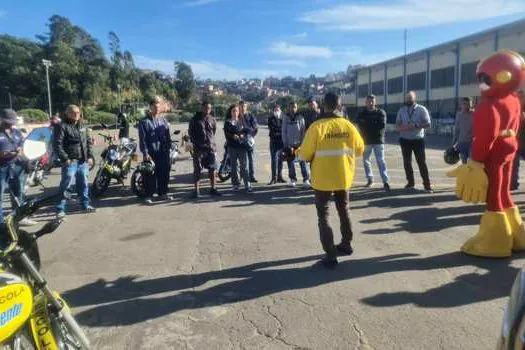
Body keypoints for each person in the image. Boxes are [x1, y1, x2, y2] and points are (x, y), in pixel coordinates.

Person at [447, 50, 525, 258]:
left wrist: (475, 161)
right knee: (504, 192)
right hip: (509, 147)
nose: (481, 83)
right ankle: (516, 233)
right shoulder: (514, 100)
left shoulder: (489, 106)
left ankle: (494, 241)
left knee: (494, 195)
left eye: (484, 78)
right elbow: (517, 126)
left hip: (494, 152)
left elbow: (485, 138)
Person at [298, 92, 364, 269]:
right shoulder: (348, 126)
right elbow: (359, 150)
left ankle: (330, 253)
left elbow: (304, 154)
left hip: (322, 179)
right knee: (344, 209)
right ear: (339, 105)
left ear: (323, 104)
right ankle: (347, 244)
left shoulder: (316, 127)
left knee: (323, 214)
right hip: (343, 176)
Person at [54, 105, 96, 218]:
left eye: (78, 112)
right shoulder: (61, 126)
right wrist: (65, 158)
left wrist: (90, 156)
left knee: (84, 183)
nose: (76, 114)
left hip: (82, 161)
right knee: (66, 185)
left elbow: (88, 142)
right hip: (70, 161)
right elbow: (57, 144)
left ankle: (85, 205)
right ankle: (60, 208)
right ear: (67, 113)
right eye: (73, 112)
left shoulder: (82, 126)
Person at [396, 91, 433, 192]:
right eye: (407, 98)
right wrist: (402, 127)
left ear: (414, 98)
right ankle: (410, 183)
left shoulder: (421, 109)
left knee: (421, 162)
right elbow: (397, 126)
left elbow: (428, 124)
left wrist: (416, 126)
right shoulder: (402, 110)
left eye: (410, 97)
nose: (408, 99)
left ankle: (427, 185)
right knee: (407, 163)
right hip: (404, 140)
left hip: (418, 140)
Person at [138, 97, 173, 204]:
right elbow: (142, 139)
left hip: (163, 152)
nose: (157, 109)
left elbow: (167, 137)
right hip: (151, 153)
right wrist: (145, 153)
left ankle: (163, 193)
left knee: (164, 173)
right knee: (149, 174)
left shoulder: (163, 121)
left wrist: (169, 149)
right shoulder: (144, 122)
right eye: (155, 107)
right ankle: (149, 195)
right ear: (150, 107)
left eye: (158, 107)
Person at [355, 94, 390, 191]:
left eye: (372, 101)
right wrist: (371, 124)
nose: (370, 103)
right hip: (366, 141)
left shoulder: (381, 112)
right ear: (365, 102)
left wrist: (366, 125)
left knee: (381, 161)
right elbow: (359, 125)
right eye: (368, 101)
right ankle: (370, 179)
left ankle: (385, 181)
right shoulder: (361, 114)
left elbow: (381, 125)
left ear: (375, 102)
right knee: (366, 160)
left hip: (378, 141)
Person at [188, 101, 220, 198]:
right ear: (202, 108)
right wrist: (197, 144)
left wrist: (209, 143)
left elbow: (213, 132)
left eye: (209, 108)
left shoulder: (212, 119)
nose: (207, 110)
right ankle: (196, 191)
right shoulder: (194, 119)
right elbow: (191, 133)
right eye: (206, 108)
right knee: (197, 170)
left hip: (210, 148)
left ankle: (213, 189)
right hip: (198, 149)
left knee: (212, 169)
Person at [224, 104, 252, 192]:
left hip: (242, 146)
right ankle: (235, 184)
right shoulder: (227, 122)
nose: (235, 113)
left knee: (244, 166)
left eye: (236, 111)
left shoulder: (242, 120)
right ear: (230, 112)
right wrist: (233, 136)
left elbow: (248, 130)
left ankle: (247, 185)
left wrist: (244, 134)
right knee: (234, 166)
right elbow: (227, 134)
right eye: (233, 111)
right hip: (232, 147)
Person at [282, 101, 310, 187]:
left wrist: (302, 144)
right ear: (289, 108)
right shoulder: (285, 118)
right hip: (290, 145)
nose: (293, 109)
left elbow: (303, 131)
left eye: (294, 107)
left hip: (299, 144)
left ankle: (306, 180)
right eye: (291, 107)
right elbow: (284, 131)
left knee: (303, 162)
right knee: (290, 163)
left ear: (297, 108)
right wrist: (286, 144)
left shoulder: (300, 117)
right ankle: (292, 179)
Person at [239, 101, 258, 183]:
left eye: (244, 106)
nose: (242, 108)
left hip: (250, 140)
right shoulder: (237, 116)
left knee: (251, 159)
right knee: (242, 160)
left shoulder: (250, 115)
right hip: (240, 141)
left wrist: (250, 135)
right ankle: (242, 176)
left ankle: (252, 176)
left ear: (246, 107)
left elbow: (255, 127)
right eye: (241, 106)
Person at [268, 105, 285, 185]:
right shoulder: (271, 119)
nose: (277, 111)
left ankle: (280, 177)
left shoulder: (283, 118)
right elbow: (272, 128)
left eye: (278, 109)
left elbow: (284, 128)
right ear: (273, 111)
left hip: (281, 142)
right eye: (275, 109)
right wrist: (280, 130)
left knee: (281, 160)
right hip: (273, 142)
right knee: (274, 160)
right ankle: (273, 178)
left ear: (280, 110)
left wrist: (279, 130)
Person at [511, 89, 525, 190]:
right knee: (514, 164)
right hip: (514, 141)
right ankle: (513, 183)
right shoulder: (513, 107)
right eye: (518, 96)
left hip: (524, 140)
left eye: (521, 96)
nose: (519, 98)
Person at [453, 97, 474, 164]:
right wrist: (454, 141)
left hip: (471, 142)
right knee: (464, 163)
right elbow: (457, 129)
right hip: (461, 142)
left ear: (470, 105)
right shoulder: (458, 115)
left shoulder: (474, 114)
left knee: (472, 163)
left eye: (468, 104)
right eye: (464, 104)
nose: (466, 105)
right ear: (461, 104)